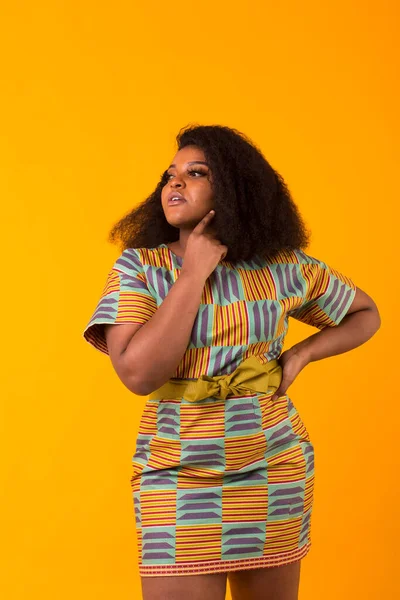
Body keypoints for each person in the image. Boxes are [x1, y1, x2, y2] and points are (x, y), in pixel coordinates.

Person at [82, 124, 380, 600]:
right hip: (176, 470)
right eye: (170, 175)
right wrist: (194, 271)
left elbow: (366, 313)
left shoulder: (283, 266)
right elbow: (138, 375)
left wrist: (301, 353)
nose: (174, 183)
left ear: (235, 188)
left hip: (273, 462)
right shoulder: (140, 267)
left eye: (195, 173)